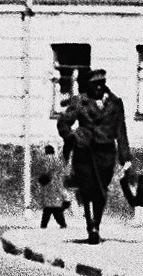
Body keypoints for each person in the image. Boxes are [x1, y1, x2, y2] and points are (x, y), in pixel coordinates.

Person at [55, 70, 130, 244]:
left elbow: (121, 131)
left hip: (106, 153)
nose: (98, 87)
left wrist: (125, 158)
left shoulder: (115, 103)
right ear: (89, 85)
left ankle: (97, 222)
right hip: (85, 152)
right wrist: (73, 138)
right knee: (88, 189)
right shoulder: (80, 102)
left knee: (101, 191)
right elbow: (63, 122)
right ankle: (92, 227)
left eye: (101, 83)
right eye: (95, 84)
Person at [32, 145, 70, 229]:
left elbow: (42, 171)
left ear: (46, 151)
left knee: (48, 207)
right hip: (57, 183)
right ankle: (61, 223)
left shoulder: (44, 159)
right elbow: (62, 171)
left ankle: (44, 225)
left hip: (47, 184)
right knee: (55, 206)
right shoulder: (57, 160)